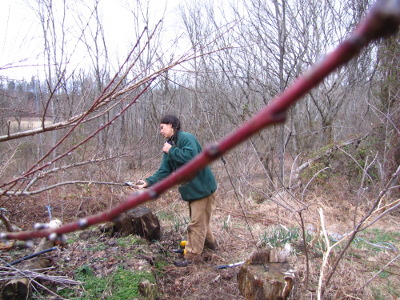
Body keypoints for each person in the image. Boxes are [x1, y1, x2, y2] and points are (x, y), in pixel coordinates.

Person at [136, 114, 217, 267]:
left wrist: (171, 150)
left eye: (162, 127)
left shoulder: (186, 138)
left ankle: (191, 256)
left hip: (203, 188)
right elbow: (164, 171)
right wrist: (148, 182)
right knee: (199, 221)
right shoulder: (169, 145)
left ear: (172, 125)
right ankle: (211, 246)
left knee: (196, 223)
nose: (160, 131)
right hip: (192, 190)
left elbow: (192, 157)